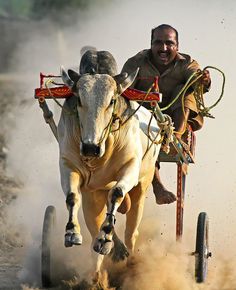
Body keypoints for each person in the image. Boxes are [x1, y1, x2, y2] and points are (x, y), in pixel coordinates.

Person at [121, 24, 211, 205]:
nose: (163, 48)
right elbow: (122, 88)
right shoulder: (136, 63)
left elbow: (197, 78)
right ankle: (157, 187)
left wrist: (204, 80)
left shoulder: (187, 63)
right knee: (138, 132)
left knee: (185, 90)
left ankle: (175, 137)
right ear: (151, 45)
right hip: (143, 121)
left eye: (169, 43)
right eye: (158, 43)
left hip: (178, 119)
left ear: (177, 46)